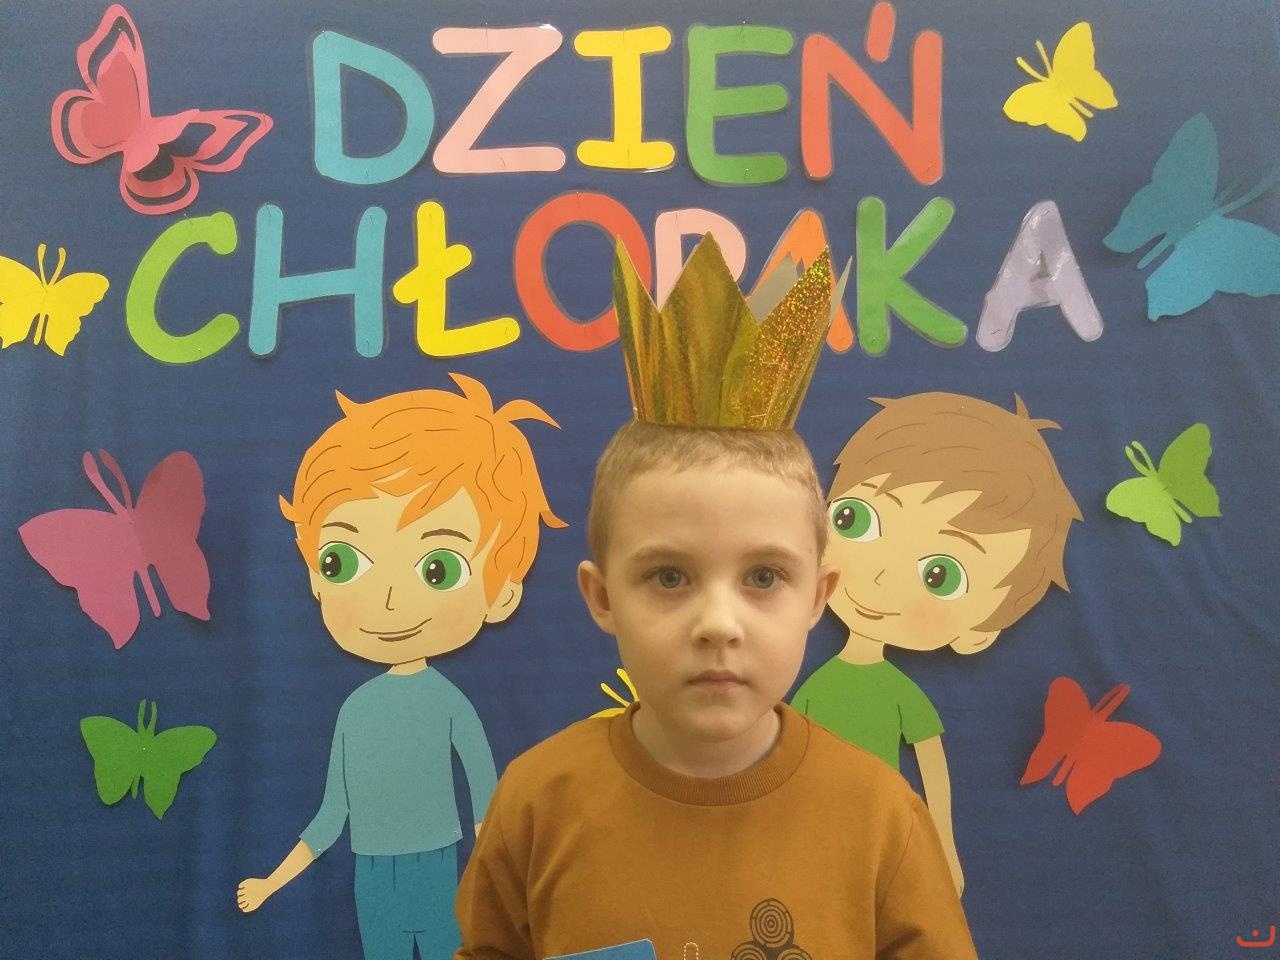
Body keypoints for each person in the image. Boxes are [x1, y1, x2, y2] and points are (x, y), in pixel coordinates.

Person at [454, 235, 977, 959]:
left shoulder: (880, 817)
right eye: (669, 577)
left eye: (764, 578)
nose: (718, 625)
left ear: (819, 596)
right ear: (601, 598)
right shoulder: (538, 801)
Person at [236, 372, 565, 960]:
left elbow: (487, 804)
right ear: (314, 575)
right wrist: (270, 883)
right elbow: (331, 815)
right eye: (341, 561)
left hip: (438, 868)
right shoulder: (356, 710)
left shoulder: (447, 704)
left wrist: (516, 893)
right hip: (373, 874)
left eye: (438, 568)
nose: (388, 602)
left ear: (503, 592)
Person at [792, 392, 1081, 895]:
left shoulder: (896, 694)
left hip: (877, 828)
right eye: (854, 519)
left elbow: (932, 767)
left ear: (978, 631)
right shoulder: (814, 685)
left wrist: (944, 846)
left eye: (940, 575)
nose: (879, 577)